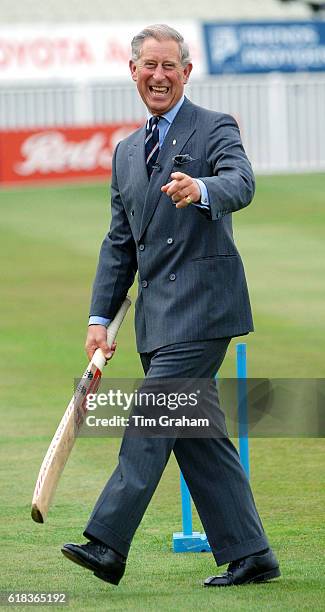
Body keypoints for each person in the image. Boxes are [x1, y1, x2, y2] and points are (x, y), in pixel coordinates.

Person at [62, 24, 280, 587]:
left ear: (186, 72)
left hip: (205, 310)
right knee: (196, 434)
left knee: (152, 418)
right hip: (157, 321)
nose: (159, 76)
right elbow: (119, 245)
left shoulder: (215, 127)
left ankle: (107, 542)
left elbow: (241, 182)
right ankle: (251, 553)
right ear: (133, 71)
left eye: (170, 66)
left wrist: (201, 189)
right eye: (149, 66)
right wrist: (99, 320)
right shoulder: (126, 152)